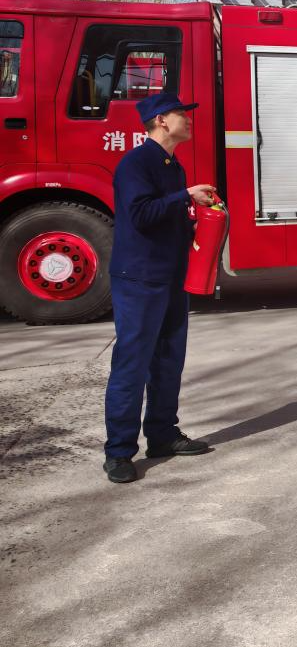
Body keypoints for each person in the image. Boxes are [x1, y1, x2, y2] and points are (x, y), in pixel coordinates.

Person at [103, 93, 217, 484]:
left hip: (170, 277)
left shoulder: (172, 165)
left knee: (168, 360)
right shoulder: (136, 163)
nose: (188, 119)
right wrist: (184, 196)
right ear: (161, 120)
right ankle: (118, 452)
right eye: (182, 114)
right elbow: (139, 214)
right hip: (140, 279)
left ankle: (163, 436)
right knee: (132, 365)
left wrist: (196, 223)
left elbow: (165, 218)